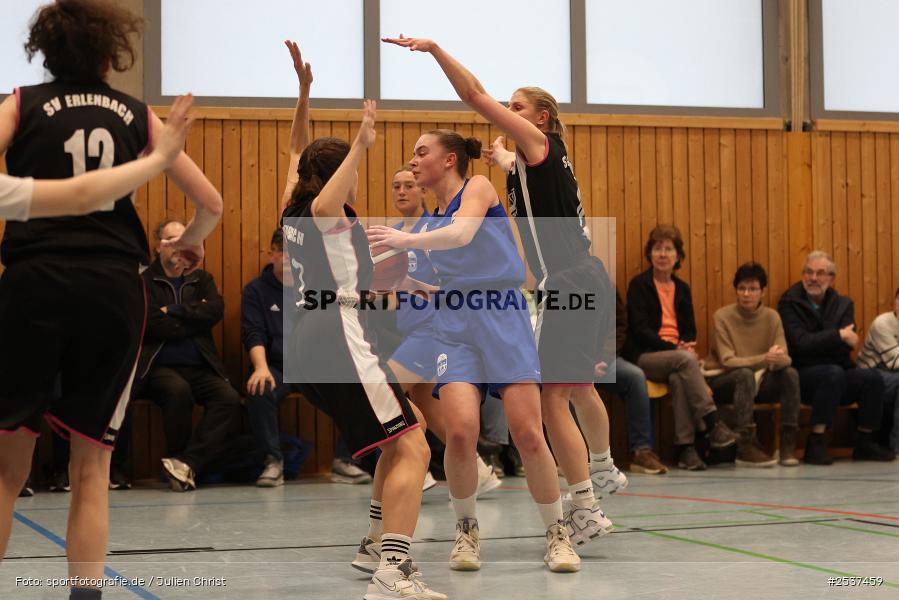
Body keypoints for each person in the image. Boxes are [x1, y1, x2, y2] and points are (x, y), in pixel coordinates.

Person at [0, 2, 222, 597]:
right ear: (110, 53)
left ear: (45, 51)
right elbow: (212, 203)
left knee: (7, 466)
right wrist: (189, 242)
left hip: (33, 279)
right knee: (92, 466)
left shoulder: (20, 103)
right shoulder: (139, 116)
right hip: (112, 287)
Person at [382, 34, 624, 549]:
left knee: (553, 401)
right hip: (561, 282)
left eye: (516, 108)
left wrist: (435, 51)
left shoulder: (533, 151)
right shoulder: (525, 168)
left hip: (559, 282)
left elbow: (473, 96)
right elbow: (507, 175)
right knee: (570, 389)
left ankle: (587, 501)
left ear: (540, 120)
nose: (506, 114)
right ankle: (598, 475)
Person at [367, 128, 581, 572]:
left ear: (449, 160)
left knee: (527, 432)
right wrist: (401, 281)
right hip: (454, 322)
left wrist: (403, 241)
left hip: (502, 314)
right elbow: (437, 284)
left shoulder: (478, 187)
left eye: (421, 153)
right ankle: (466, 530)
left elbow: (463, 234)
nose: (413, 161)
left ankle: (557, 533)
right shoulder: (430, 222)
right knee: (461, 432)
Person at [279, 41, 445, 600]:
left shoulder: (292, 206)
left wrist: (304, 94)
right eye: (350, 172)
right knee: (415, 446)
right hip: (339, 334)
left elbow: (297, 150)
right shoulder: (325, 213)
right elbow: (328, 200)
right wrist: (361, 141)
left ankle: (374, 544)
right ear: (336, 176)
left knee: (400, 432)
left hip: (307, 339)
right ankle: (393, 572)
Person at [241, 228, 371, 487]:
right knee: (259, 388)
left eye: (294, 253)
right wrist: (260, 367)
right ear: (271, 254)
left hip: (316, 366)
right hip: (278, 367)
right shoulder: (256, 290)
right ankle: (273, 461)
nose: (288, 258)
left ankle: (346, 461)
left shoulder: (318, 288)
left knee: (359, 385)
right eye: (282, 251)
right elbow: (253, 333)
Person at [136, 218, 243, 492]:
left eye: (184, 240)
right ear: (158, 245)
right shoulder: (144, 281)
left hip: (200, 365)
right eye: (171, 240)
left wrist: (173, 311)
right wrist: (193, 318)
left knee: (229, 398)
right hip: (158, 366)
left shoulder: (201, 279)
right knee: (177, 391)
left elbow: (215, 311)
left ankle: (186, 464)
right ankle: (177, 459)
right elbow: (149, 323)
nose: (178, 246)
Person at [622, 225, 739, 471]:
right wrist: (676, 348)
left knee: (679, 377)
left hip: (677, 359)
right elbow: (640, 330)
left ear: (678, 256)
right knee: (685, 361)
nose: (663, 254)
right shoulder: (639, 285)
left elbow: (689, 329)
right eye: (657, 249)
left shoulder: (682, 288)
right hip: (646, 356)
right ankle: (713, 422)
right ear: (650, 254)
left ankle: (685, 448)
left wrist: (684, 344)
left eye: (668, 249)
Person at [778, 251, 895, 464]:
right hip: (803, 375)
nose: (813, 278)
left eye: (820, 273)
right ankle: (816, 442)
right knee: (831, 374)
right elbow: (799, 344)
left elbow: (844, 349)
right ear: (803, 275)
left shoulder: (843, 304)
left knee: (872, 378)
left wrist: (822, 342)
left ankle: (865, 442)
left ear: (831, 279)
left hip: (838, 369)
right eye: (809, 272)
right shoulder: (789, 302)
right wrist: (838, 335)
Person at [0, 94, 195, 221]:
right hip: (112, 260)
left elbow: (81, 195)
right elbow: (82, 196)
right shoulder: (139, 112)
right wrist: (159, 158)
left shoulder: (19, 104)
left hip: (34, 263)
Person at [706, 263, 801, 467]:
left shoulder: (772, 317)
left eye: (753, 289)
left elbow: (786, 358)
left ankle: (788, 444)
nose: (746, 294)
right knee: (744, 374)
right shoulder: (722, 316)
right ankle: (745, 444)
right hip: (725, 380)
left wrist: (775, 359)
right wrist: (765, 359)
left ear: (763, 292)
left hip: (761, 380)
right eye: (742, 288)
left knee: (791, 374)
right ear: (736, 291)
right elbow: (727, 361)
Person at [595, 291, 668, 474]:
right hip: (571, 361)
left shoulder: (605, 285)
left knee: (635, 376)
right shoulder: (556, 284)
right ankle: (568, 454)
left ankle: (641, 451)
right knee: (568, 381)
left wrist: (604, 357)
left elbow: (619, 326)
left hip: (604, 359)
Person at [858, 287, 899, 453]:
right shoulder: (883, 323)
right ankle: (897, 446)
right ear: (895, 302)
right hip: (870, 375)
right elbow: (895, 361)